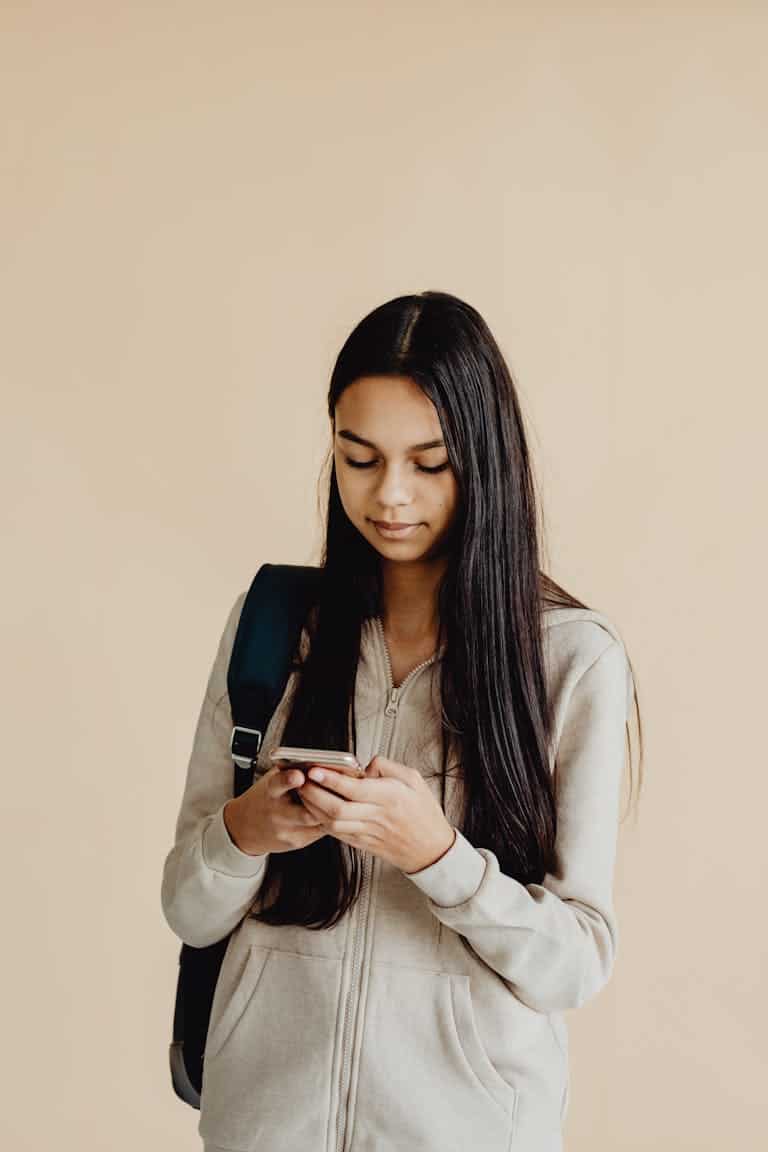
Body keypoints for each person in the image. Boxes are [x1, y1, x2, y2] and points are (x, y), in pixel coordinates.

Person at [161, 290, 643, 1152]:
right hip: (264, 1130)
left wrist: (438, 856)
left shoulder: (572, 662)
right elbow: (189, 910)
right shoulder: (273, 627)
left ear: (486, 460)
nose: (390, 496)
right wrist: (247, 830)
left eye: (430, 463)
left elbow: (574, 962)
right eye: (359, 457)